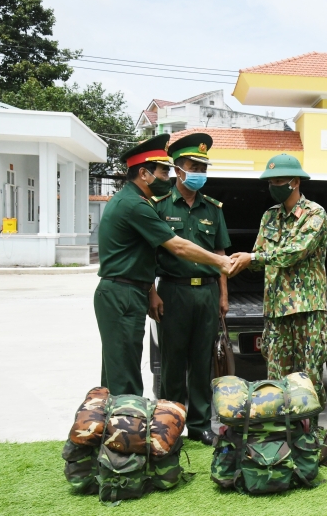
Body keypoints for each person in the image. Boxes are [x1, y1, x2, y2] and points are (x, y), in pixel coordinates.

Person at [94, 134, 236, 398]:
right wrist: (221, 262)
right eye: (163, 171)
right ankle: (128, 429)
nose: (166, 177)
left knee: (120, 368)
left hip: (132, 291)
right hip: (126, 292)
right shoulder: (137, 205)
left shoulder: (133, 201)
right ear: (145, 174)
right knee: (125, 373)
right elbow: (177, 246)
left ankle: (115, 429)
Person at [148, 132, 230, 445]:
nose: (199, 173)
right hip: (173, 291)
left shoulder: (213, 208)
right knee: (172, 362)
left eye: (203, 168)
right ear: (178, 168)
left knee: (202, 362)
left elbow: (221, 256)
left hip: (207, 292)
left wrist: (223, 296)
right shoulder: (159, 205)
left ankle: (199, 425)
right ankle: (170, 425)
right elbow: (148, 255)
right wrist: (151, 292)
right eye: (193, 166)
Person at [230, 154, 327, 410]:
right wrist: (230, 262)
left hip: (306, 308)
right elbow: (258, 256)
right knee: (276, 377)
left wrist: (253, 257)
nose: (273, 186)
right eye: (270, 181)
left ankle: (310, 438)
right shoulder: (269, 217)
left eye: (278, 180)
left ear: (295, 182)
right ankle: (281, 438)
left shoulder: (315, 213)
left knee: (308, 377)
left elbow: (296, 251)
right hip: (275, 310)